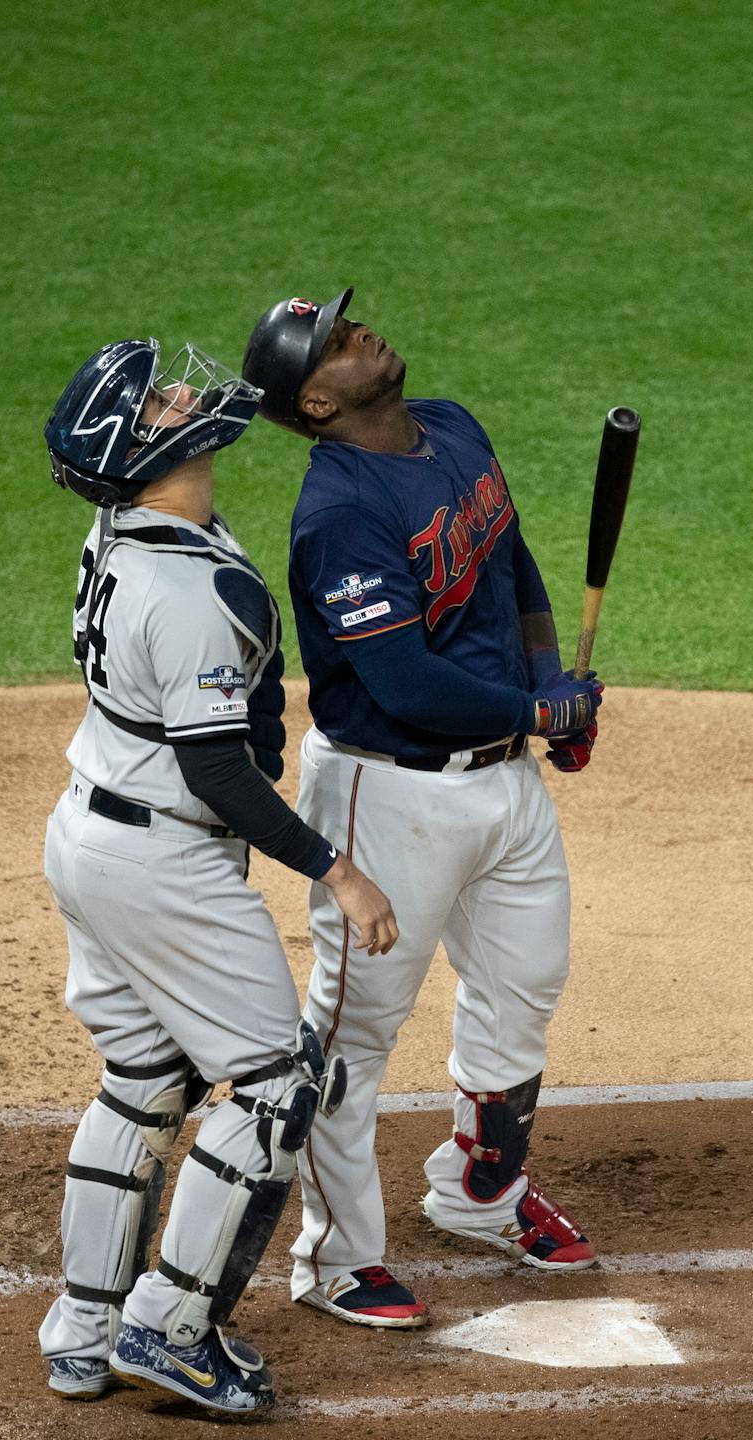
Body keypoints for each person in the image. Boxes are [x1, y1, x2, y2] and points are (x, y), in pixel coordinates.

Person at [35, 336, 399, 1412]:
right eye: (159, 403)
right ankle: (171, 1326)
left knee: (146, 1079)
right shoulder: (184, 588)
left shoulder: (133, 524)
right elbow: (216, 770)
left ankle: (84, 1327)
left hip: (93, 833)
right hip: (163, 858)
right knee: (279, 1086)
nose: (186, 393)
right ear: (143, 454)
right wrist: (336, 872)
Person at [240, 289, 606, 1330]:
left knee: (524, 982)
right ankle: (337, 1259)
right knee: (354, 1032)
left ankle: (480, 1192)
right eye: (335, 344)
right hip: (388, 794)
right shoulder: (339, 513)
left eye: (349, 323)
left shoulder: (451, 427)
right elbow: (400, 679)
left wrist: (550, 690)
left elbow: (511, 562)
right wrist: (539, 706)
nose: (362, 334)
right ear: (314, 403)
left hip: (505, 783)